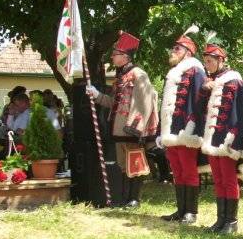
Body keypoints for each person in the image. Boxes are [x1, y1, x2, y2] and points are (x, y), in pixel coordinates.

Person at [86, 32, 159, 208]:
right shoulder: (121, 77)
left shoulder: (138, 74)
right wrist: (97, 95)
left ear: (125, 56)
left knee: (135, 163)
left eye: (115, 54)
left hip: (131, 129)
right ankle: (126, 198)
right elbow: (114, 103)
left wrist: (135, 127)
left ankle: (134, 198)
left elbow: (144, 102)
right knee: (123, 165)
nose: (112, 57)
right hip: (118, 129)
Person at [200, 36, 243, 234]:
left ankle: (231, 221)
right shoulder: (212, 82)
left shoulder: (234, 81)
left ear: (221, 60)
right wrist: (204, 90)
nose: (207, 65)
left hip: (228, 138)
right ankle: (220, 219)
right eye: (206, 61)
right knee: (218, 178)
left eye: (210, 61)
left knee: (228, 178)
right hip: (212, 137)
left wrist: (235, 136)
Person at [157, 27, 205, 224]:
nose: (173, 51)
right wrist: (161, 130)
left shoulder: (195, 71)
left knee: (188, 170)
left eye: (177, 48)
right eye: (174, 48)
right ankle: (181, 209)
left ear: (188, 52)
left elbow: (198, 103)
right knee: (177, 171)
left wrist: (193, 128)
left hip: (186, 129)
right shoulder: (173, 74)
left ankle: (190, 212)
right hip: (171, 130)